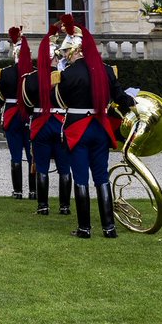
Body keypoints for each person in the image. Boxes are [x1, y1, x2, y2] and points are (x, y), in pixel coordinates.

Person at [54, 14, 136, 238]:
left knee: (80, 178)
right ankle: (109, 228)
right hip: (99, 127)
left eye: (66, 52)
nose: (65, 56)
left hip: (77, 128)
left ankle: (84, 228)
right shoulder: (106, 70)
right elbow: (120, 97)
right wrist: (133, 103)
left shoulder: (67, 74)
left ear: (74, 51)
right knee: (101, 177)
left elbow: (59, 101)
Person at [22, 23, 72, 217]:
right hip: (60, 122)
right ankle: (64, 206)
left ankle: (43, 206)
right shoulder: (66, 76)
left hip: (40, 122)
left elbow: (26, 104)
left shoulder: (30, 78)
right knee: (64, 167)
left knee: (41, 166)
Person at [0, 27, 36, 200]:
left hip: (12, 114)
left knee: (15, 155)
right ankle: (33, 191)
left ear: (15, 53)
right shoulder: (34, 74)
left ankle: (17, 191)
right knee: (31, 153)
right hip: (29, 114)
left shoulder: (5, 73)